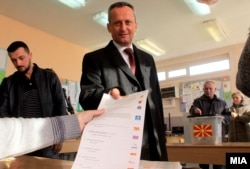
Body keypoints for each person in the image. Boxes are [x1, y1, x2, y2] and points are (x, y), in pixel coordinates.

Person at [79, 1, 167, 161]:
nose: (123, 28)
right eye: (117, 23)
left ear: (136, 25)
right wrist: (108, 96)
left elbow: (157, 101)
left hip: (153, 144)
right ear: (109, 27)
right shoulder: (94, 59)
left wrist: (162, 137)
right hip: (118, 145)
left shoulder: (148, 59)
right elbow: (87, 96)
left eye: (128, 22)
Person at [0, 41, 67, 159]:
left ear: (30, 55)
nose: (18, 63)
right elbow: (2, 110)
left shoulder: (50, 77)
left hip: (47, 140)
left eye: (21, 58)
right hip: (21, 142)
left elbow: (60, 105)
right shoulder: (8, 83)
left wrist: (60, 134)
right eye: (14, 60)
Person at [0, 109, 105, 160]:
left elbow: (8, 134)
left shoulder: (50, 80)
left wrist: (73, 124)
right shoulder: (10, 82)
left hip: (48, 146)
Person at [189, 80, 228, 169]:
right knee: (203, 162)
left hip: (217, 136)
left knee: (218, 162)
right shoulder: (198, 101)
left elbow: (227, 115)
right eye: (206, 89)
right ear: (203, 89)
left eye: (210, 88)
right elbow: (192, 109)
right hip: (203, 136)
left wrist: (222, 119)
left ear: (215, 89)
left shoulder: (222, 102)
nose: (208, 90)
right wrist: (194, 110)